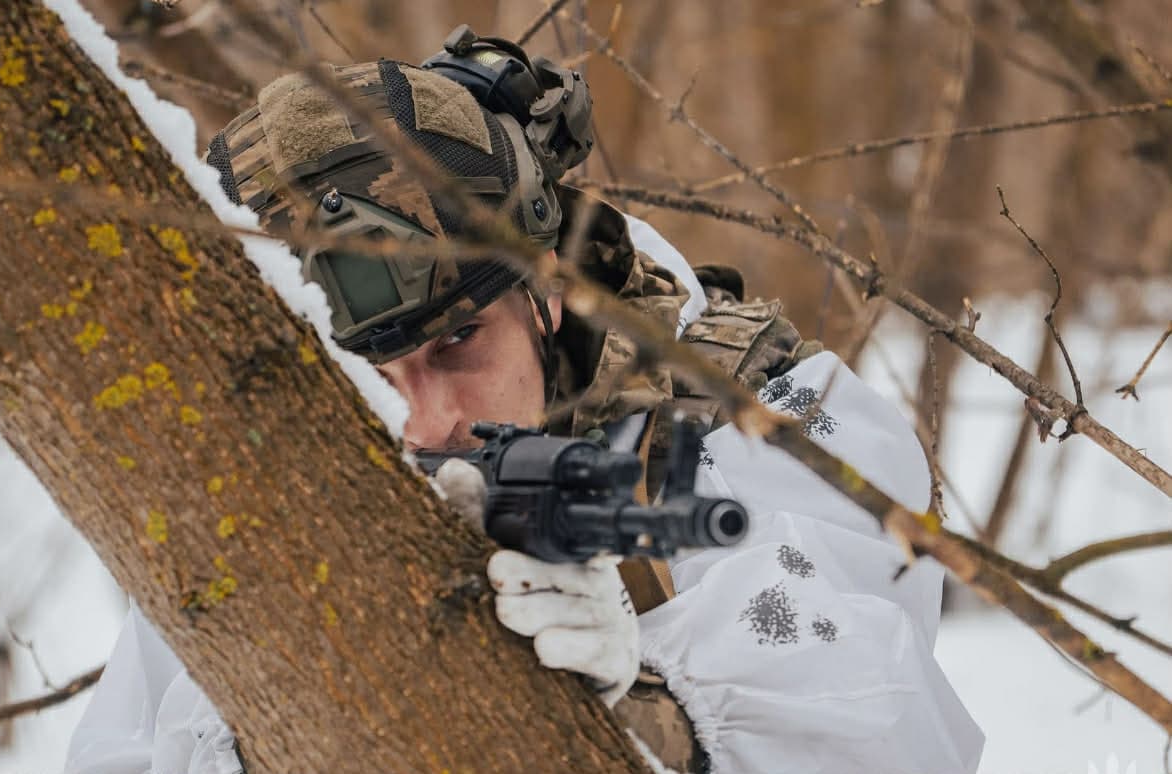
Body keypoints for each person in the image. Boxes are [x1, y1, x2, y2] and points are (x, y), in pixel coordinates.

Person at [67, 29, 983, 774]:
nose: (427, 426)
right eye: (371, 379)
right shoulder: (272, 480)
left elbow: (881, 721)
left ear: (545, 289)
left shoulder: (761, 411)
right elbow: (133, 749)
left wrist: (649, 715)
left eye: (457, 343)